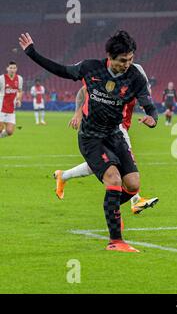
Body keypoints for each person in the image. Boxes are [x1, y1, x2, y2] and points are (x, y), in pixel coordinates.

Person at [20, 30, 159, 253]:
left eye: (130, 59)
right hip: (91, 137)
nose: (127, 64)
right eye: (122, 60)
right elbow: (61, 70)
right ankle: (116, 241)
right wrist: (32, 53)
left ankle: (111, 206)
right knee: (113, 179)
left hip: (114, 134)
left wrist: (153, 118)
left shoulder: (135, 76)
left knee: (132, 185)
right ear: (110, 57)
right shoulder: (90, 68)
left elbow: (148, 103)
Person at [54, 84, 159, 215]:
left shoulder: (135, 74)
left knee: (105, 162)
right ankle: (135, 200)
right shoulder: (112, 74)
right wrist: (78, 113)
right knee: (125, 164)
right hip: (111, 128)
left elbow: (145, 95)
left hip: (120, 127)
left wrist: (151, 114)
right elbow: (84, 90)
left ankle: (63, 175)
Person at [0, 61, 23, 139]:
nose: (12, 69)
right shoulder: (2, 78)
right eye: (10, 68)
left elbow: (20, 91)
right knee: (0, 128)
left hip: (11, 110)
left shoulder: (19, 79)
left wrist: (19, 100)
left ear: (16, 69)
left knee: (9, 132)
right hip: (1, 108)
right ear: (7, 69)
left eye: (14, 68)